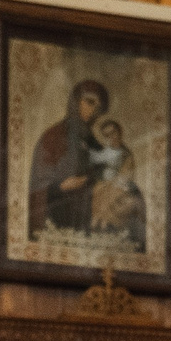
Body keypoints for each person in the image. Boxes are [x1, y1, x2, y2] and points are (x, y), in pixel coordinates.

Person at [28, 77, 109, 237]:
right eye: (89, 102)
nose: (92, 111)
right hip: (58, 213)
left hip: (84, 212)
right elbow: (38, 186)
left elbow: (102, 166)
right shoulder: (53, 137)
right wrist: (60, 187)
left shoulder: (90, 140)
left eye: (98, 108)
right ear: (76, 100)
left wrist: (93, 179)